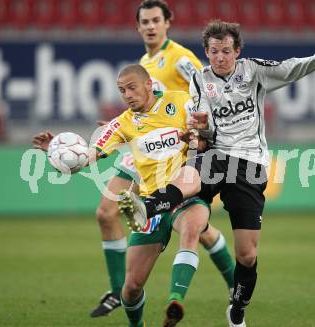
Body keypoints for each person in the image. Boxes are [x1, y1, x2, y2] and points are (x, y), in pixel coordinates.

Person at [118, 20, 315, 327]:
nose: (220, 57)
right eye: (214, 51)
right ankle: (149, 205)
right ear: (207, 53)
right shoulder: (200, 79)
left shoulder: (252, 71)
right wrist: (200, 127)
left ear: (237, 51)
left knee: (248, 255)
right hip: (215, 152)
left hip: (249, 164)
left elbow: (289, 69)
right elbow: (205, 128)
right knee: (189, 177)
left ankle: (237, 308)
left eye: (226, 51)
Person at [33, 64, 211, 327]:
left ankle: (175, 301)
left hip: (184, 194)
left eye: (131, 87)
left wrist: (195, 138)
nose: (127, 94)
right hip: (149, 203)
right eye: (121, 90)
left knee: (193, 227)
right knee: (131, 289)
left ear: (149, 84)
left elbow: (206, 139)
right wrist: (61, 154)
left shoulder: (180, 101)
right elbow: (90, 155)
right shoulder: (122, 123)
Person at [89, 0, 235, 317]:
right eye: (145, 22)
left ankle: (234, 282)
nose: (151, 26)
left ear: (167, 22)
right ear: (138, 27)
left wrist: (201, 130)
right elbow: (139, 109)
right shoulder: (145, 62)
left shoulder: (179, 57)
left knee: (194, 224)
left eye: (156, 20)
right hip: (145, 144)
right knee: (106, 212)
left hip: (177, 145)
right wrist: (121, 127)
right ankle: (120, 290)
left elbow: (207, 87)